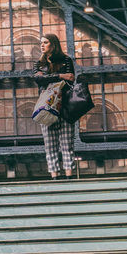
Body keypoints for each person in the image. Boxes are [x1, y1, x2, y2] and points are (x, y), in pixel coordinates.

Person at [33, 33, 77, 178]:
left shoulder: (66, 60)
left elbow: (71, 79)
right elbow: (38, 79)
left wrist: (48, 78)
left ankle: (69, 175)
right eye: (41, 43)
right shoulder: (38, 63)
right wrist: (60, 76)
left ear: (53, 44)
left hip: (65, 107)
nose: (42, 45)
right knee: (50, 146)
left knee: (67, 145)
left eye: (45, 42)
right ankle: (55, 176)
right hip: (46, 108)